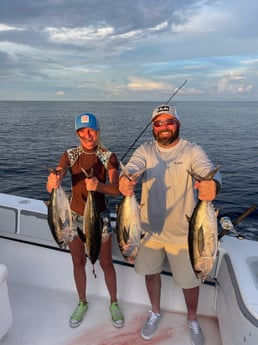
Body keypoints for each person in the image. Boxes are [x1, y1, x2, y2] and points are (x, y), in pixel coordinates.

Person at [119, 104, 221, 345]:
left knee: (190, 282)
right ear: (153, 128)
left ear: (178, 125)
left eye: (169, 122)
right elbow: (134, 166)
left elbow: (209, 170)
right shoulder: (145, 150)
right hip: (148, 233)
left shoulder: (191, 151)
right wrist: (127, 178)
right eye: (158, 123)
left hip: (185, 235)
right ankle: (155, 312)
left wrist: (213, 184)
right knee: (151, 275)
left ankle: (192, 319)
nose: (163, 127)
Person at [46, 112, 124, 329]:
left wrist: (98, 186)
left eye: (91, 130)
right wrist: (54, 180)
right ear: (77, 134)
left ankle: (114, 303)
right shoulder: (70, 155)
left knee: (107, 264)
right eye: (82, 131)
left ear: (98, 131)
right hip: (72, 217)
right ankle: (82, 302)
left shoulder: (109, 156)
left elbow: (117, 189)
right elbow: (56, 179)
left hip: (99, 218)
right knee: (78, 263)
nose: (87, 135)